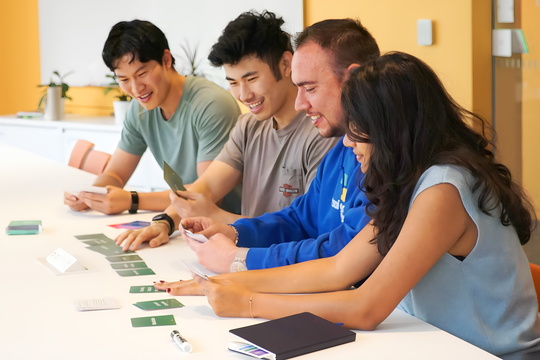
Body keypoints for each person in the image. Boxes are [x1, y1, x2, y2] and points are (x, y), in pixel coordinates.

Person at [156, 52, 540, 357]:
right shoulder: (411, 178)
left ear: (391, 129)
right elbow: (339, 269)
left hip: (489, 353)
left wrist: (249, 302)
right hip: (439, 342)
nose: (346, 142)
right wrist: (224, 281)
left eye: (357, 128)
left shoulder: (443, 190)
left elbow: (366, 309)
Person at [169, 18, 380, 274]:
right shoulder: (343, 149)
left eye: (310, 88)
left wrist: (241, 259)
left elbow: (338, 255)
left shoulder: (380, 159)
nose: (301, 104)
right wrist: (234, 232)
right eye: (233, 82)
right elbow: (299, 220)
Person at [114, 11, 338, 251]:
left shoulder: (322, 132)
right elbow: (207, 186)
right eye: (232, 82)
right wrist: (165, 222)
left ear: (285, 65)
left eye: (251, 78)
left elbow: (308, 232)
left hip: (282, 268)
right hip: (241, 258)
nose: (243, 95)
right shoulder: (248, 126)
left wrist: (215, 215)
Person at [63, 19, 241, 215]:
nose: (136, 88)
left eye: (142, 74)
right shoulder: (139, 110)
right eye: (124, 79)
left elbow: (207, 194)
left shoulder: (212, 105)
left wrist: (133, 200)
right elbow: (115, 174)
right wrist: (91, 194)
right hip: (182, 222)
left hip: (227, 225)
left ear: (166, 60)